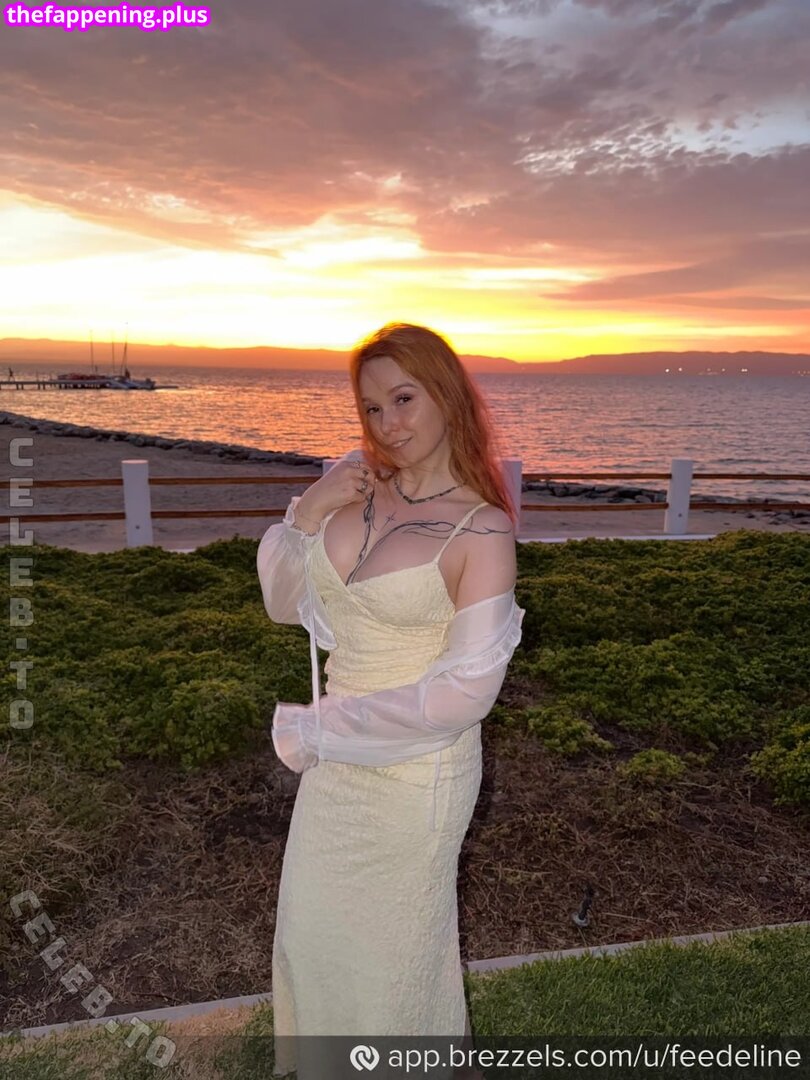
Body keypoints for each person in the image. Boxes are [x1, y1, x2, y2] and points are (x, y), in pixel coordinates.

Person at [256, 322, 526, 1079]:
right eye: (372, 408)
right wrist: (308, 510)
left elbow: (464, 693)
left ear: (447, 396)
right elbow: (283, 602)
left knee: (389, 960)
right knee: (313, 935)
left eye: (404, 399)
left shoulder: (482, 530)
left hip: (417, 775)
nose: (388, 424)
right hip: (336, 765)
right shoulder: (352, 490)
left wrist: (324, 727)